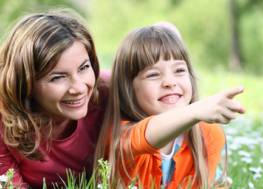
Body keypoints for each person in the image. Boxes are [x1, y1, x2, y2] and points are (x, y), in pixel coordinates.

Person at [95, 25, 245, 188]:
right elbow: (145, 136)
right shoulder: (121, 136)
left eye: (179, 70)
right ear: (128, 89)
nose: (170, 82)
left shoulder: (207, 135)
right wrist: (195, 111)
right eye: (153, 74)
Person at [0, 10, 108, 188]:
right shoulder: (4, 121)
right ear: (26, 83)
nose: (79, 88)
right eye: (57, 77)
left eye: (84, 67)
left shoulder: (107, 93)